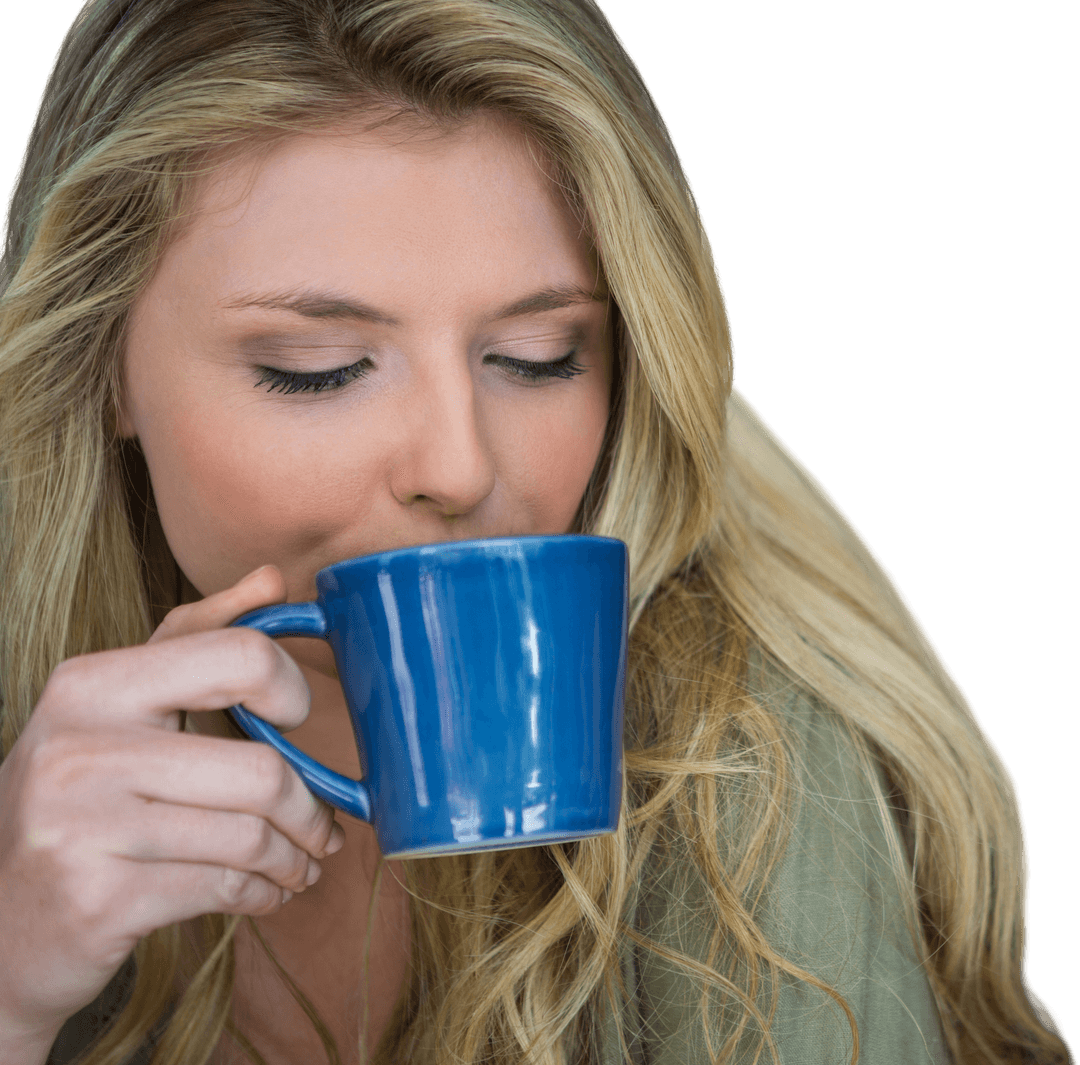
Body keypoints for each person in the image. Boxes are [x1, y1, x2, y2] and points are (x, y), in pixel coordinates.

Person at [0, 0, 1071, 1063]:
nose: (459, 467)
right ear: (102, 364)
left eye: (539, 355)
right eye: (315, 370)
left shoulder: (748, 775)